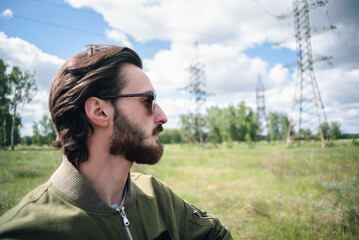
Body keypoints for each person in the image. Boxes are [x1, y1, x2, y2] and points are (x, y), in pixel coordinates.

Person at [0, 45, 232, 240]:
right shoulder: (26, 231)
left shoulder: (157, 196)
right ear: (99, 111)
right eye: (148, 101)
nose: (162, 116)